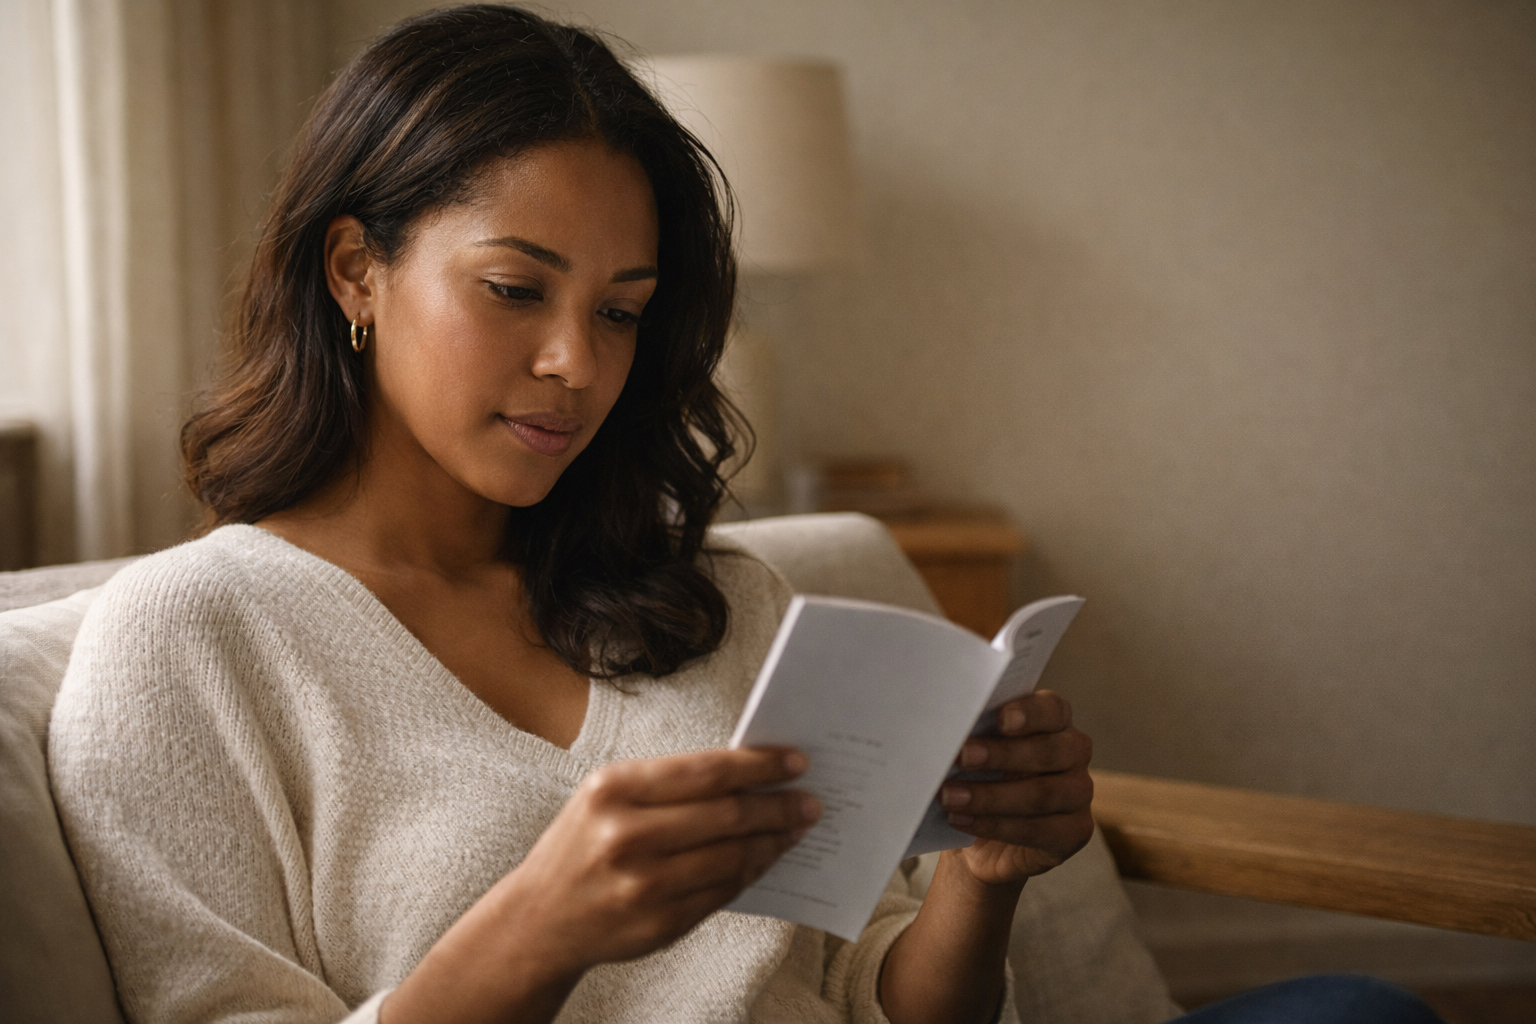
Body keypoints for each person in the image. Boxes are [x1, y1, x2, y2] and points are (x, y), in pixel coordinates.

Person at [47, 6, 1447, 1024]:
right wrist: (540, 928)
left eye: (623, 314)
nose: (577, 365)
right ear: (356, 269)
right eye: (515, 289)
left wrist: (988, 877)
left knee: (1355, 1010)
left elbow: (898, 999)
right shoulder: (188, 647)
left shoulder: (716, 604)